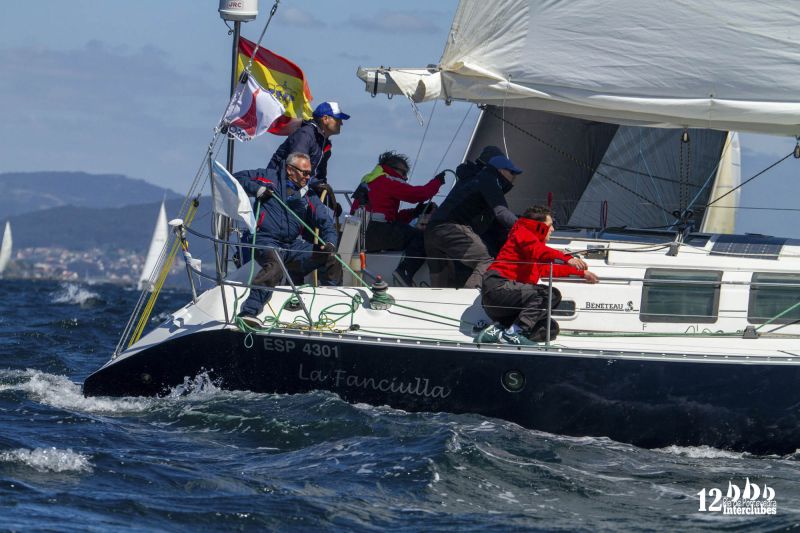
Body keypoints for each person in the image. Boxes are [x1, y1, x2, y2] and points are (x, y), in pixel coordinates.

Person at [233, 152, 341, 327]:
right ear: (290, 170)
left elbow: (325, 222)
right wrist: (257, 190)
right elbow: (235, 178)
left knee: (331, 257)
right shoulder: (269, 177)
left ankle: (333, 304)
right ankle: (249, 312)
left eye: (310, 173)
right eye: (305, 172)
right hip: (265, 240)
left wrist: (330, 243)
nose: (308, 177)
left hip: (292, 245)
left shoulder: (308, 194)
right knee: (275, 266)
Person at [477, 205, 599, 345]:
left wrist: (581, 273)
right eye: (550, 225)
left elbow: (546, 269)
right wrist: (567, 258)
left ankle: (499, 331)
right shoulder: (522, 233)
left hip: (508, 301)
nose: (552, 230)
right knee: (550, 294)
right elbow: (540, 251)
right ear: (539, 227)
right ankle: (513, 333)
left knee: (550, 329)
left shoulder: (531, 246)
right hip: (499, 289)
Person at [424, 155, 522, 289]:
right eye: (512, 172)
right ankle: (468, 297)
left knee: (443, 278)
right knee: (486, 260)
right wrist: (527, 227)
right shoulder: (490, 180)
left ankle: (436, 299)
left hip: (431, 231)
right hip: (451, 229)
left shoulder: (473, 180)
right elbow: (501, 212)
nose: (514, 177)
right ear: (500, 170)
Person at [351, 151, 445, 286]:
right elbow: (418, 195)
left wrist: (416, 212)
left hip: (362, 235)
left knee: (403, 231)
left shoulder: (371, 180)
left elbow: (392, 218)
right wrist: (437, 182)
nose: (405, 178)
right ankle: (404, 272)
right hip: (376, 233)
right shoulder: (386, 180)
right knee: (422, 237)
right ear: (392, 169)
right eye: (404, 173)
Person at [267, 101, 349, 218]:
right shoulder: (305, 135)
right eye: (338, 119)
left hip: (298, 191)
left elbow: (319, 179)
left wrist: (330, 203)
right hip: (280, 191)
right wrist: (316, 186)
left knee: (323, 221)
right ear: (325, 119)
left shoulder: (324, 145)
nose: (341, 123)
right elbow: (296, 169)